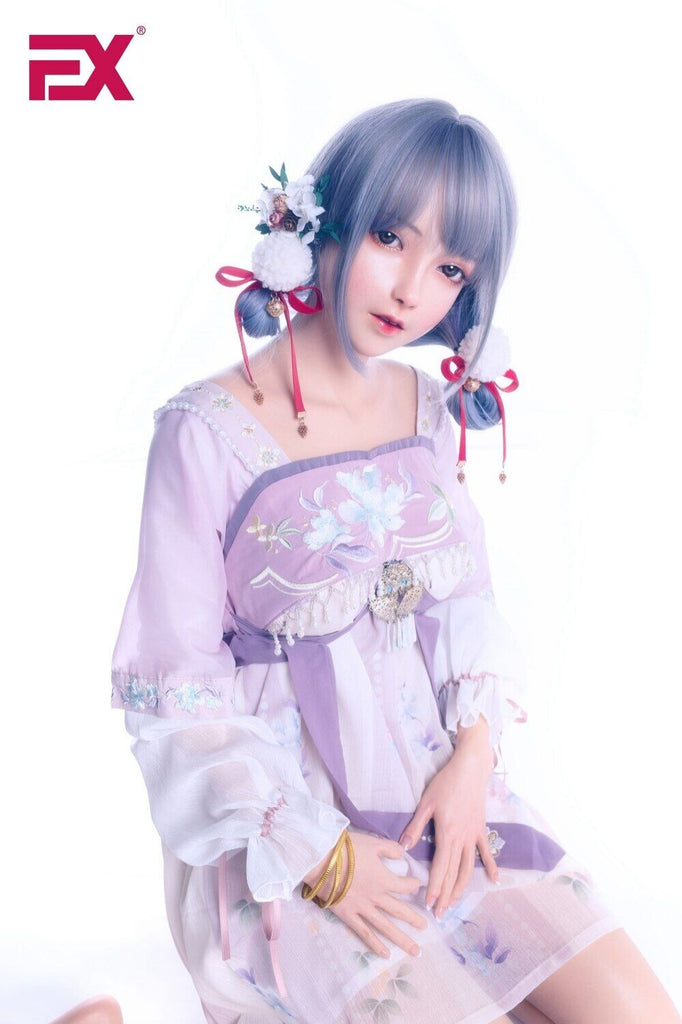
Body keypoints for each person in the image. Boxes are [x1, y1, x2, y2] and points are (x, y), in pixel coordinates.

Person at [110, 99, 681, 1024]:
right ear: (320, 225)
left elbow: (464, 607)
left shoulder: (425, 411)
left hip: (440, 795)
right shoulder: (203, 432)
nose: (411, 290)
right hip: (295, 840)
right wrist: (318, 855)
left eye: (450, 268)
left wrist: (474, 760)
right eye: (389, 237)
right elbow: (175, 691)